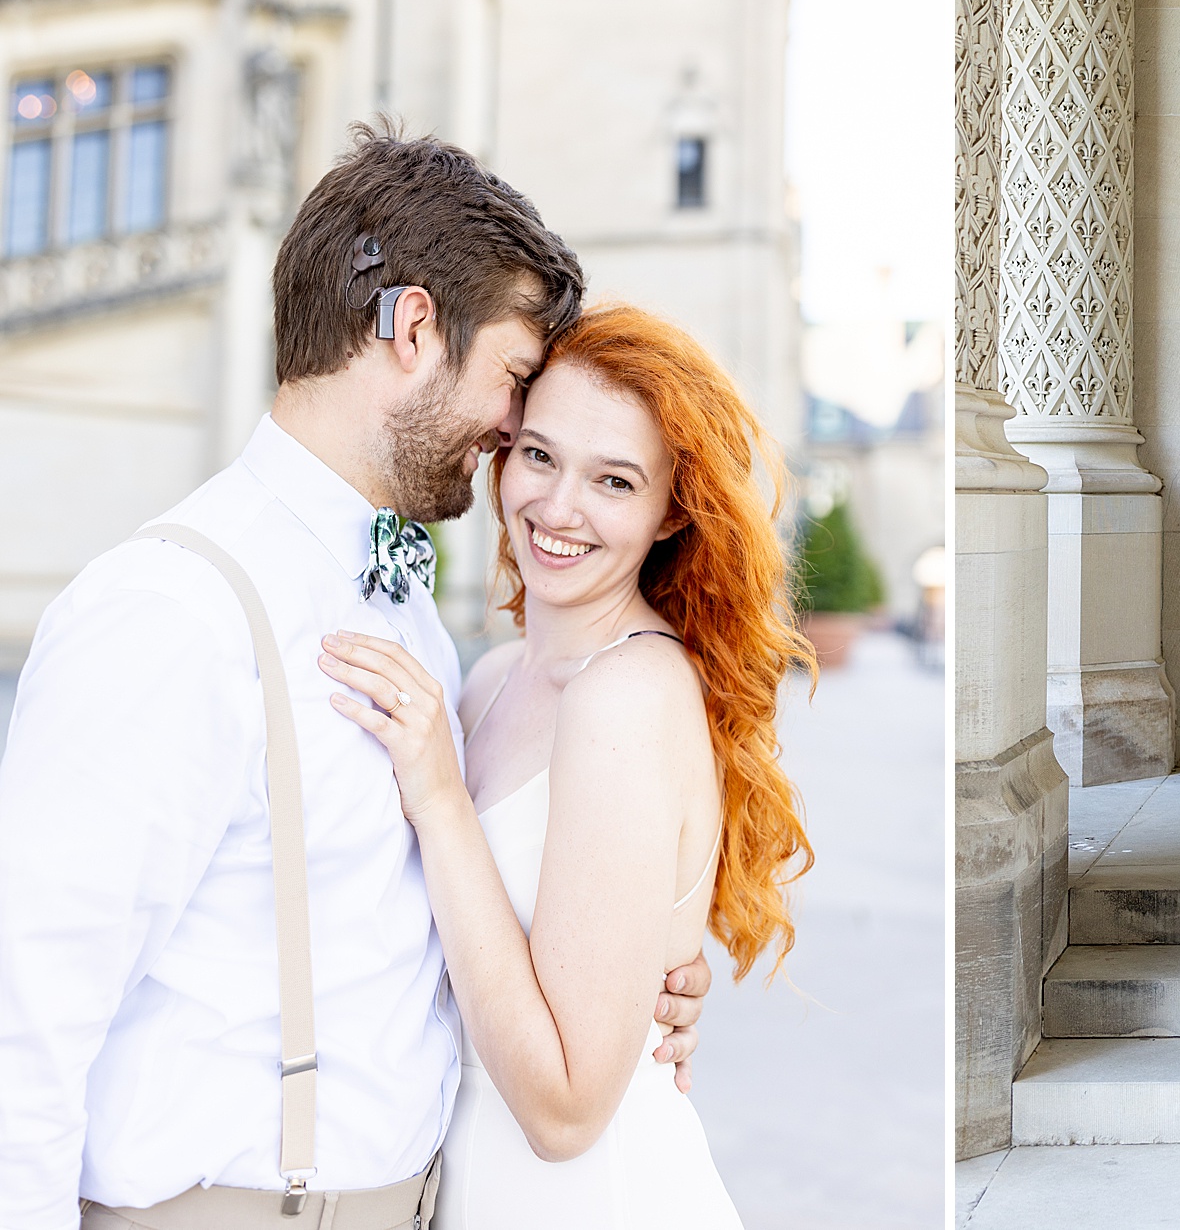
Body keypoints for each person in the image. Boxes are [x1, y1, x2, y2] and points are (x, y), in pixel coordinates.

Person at [0, 128, 710, 1229]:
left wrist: (637, 976)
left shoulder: (419, 623)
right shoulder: (168, 611)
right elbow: (22, 1027)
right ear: (414, 327)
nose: (517, 429)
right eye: (515, 380)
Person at [321, 304, 813, 1222]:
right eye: (540, 455)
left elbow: (566, 1110)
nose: (558, 508)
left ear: (673, 513)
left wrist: (439, 797)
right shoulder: (494, 677)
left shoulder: (625, 697)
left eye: (615, 482)